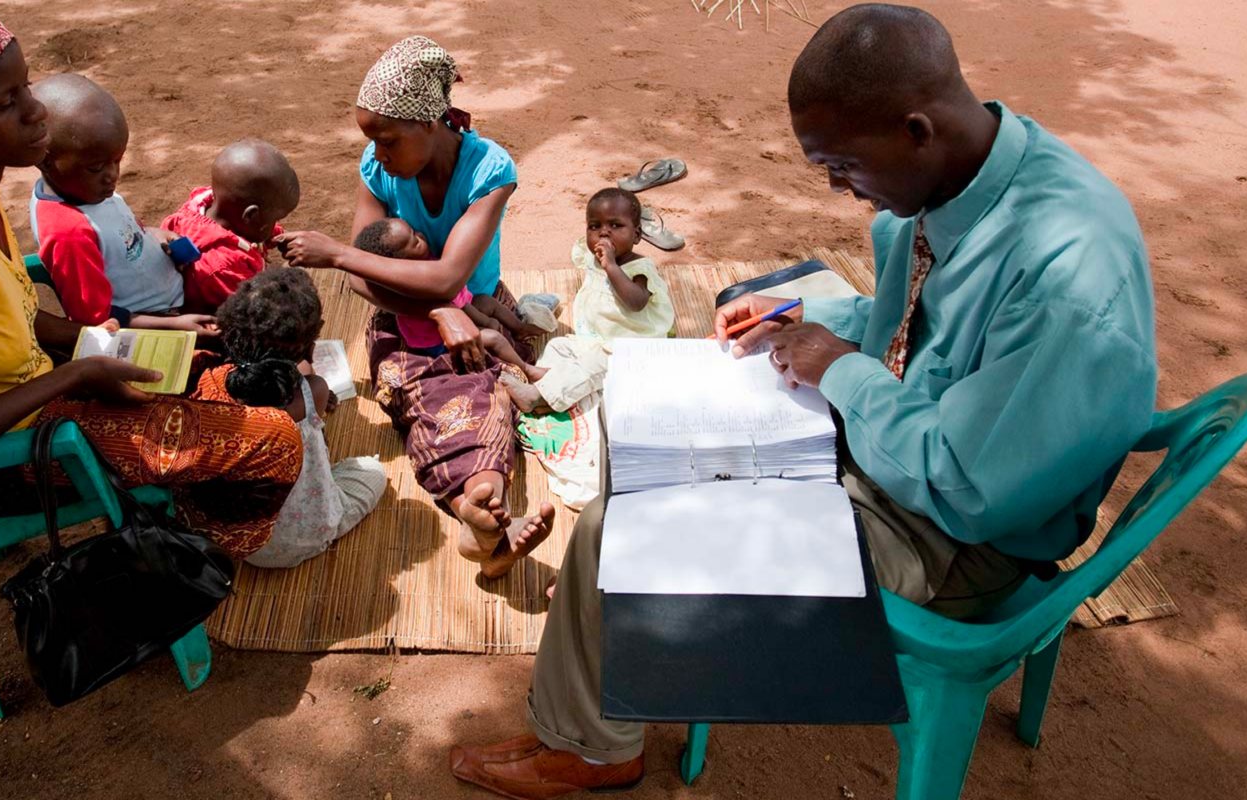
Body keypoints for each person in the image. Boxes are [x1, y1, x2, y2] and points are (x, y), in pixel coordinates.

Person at [448, 5, 1157, 797]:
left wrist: (839, 370)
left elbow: (971, 489)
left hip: (951, 536)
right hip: (888, 458)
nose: (837, 188)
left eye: (844, 167)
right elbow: (918, 327)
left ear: (917, 129)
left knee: (628, 524)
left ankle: (593, 744)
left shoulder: (1065, 270)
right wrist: (801, 321)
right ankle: (602, 656)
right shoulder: (956, 181)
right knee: (640, 442)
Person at [0, 0, 302, 559]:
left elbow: (10, 319)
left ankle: (187, 500)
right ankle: (210, 555)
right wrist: (75, 373)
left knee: (235, 372)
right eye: (9, 102)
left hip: (27, 398)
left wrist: (101, 344)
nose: (37, 112)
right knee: (274, 441)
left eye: (26, 87)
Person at [275, 36, 555, 579]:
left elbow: (448, 275)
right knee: (422, 396)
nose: (376, 153)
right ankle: (479, 515)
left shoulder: (488, 171)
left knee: (485, 385)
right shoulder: (378, 168)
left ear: (431, 123)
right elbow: (362, 278)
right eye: (370, 140)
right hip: (399, 312)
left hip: (478, 305)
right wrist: (433, 311)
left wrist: (339, 253)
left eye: (386, 139)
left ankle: (482, 502)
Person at [205, 268, 388, 569]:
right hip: (305, 536)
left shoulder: (213, 387)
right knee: (373, 471)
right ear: (311, 348)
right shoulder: (312, 391)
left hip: (243, 544)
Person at [27, 73, 213, 335]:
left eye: (117, 160)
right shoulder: (69, 234)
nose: (113, 175)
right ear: (46, 161)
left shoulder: (82, 189)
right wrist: (172, 324)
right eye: (97, 167)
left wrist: (154, 235)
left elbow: (117, 233)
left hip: (173, 298)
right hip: (156, 324)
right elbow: (97, 319)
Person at [499, 187, 675, 415]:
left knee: (590, 366)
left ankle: (536, 397)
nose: (604, 233)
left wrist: (611, 266)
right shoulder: (594, 259)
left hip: (628, 350)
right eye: (595, 226)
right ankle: (551, 380)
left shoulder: (640, 269)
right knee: (558, 346)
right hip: (595, 339)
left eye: (615, 225)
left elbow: (636, 302)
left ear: (637, 234)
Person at [351, 218, 546, 352]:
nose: (421, 235)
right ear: (402, 260)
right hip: (436, 338)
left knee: (487, 301)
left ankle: (519, 328)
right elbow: (461, 307)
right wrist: (487, 323)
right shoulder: (420, 279)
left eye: (414, 232)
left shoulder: (420, 264)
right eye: (415, 241)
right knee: (494, 338)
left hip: (454, 316)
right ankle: (526, 369)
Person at [160, 139, 301, 311]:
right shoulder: (222, 268)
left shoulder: (217, 204)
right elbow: (252, 312)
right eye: (275, 219)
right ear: (250, 216)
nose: (276, 225)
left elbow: (254, 227)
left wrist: (275, 235)